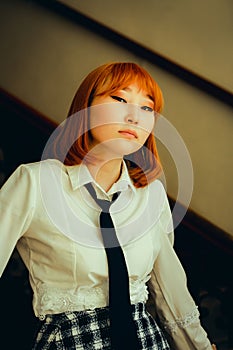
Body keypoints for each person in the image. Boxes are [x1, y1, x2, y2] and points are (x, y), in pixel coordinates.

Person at [0, 62, 216, 349]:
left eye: (147, 108)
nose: (134, 117)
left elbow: (170, 291)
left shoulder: (150, 194)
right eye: (119, 99)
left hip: (146, 341)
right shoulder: (36, 182)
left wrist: (198, 346)